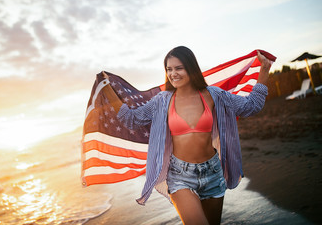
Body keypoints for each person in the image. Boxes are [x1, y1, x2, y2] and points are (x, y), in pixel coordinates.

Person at [101, 46, 272, 225]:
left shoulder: (213, 95)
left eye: (178, 68)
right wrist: (107, 89)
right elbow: (131, 119)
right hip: (180, 176)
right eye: (169, 69)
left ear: (191, 68)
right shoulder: (162, 100)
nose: (173, 73)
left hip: (213, 172)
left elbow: (251, 105)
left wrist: (265, 69)